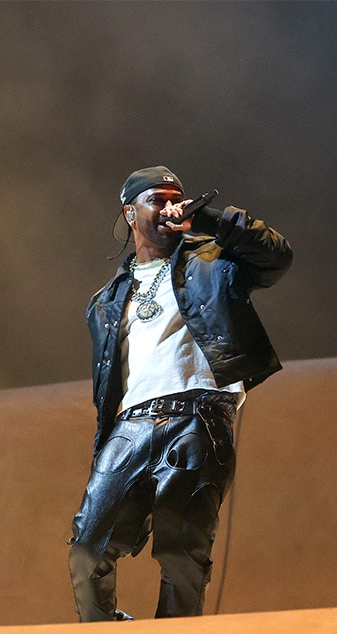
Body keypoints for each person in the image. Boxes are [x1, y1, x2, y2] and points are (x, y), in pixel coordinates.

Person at [67, 166, 292, 621]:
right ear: (130, 213)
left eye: (177, 198)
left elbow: (276, 255)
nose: (170, 207)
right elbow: (108, 383)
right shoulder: (105, 302)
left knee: (181, 554)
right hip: (130, 425)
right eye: (158, 199)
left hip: (199, 414)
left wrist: (208, 220)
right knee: (87, 548)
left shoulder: (215, 261)